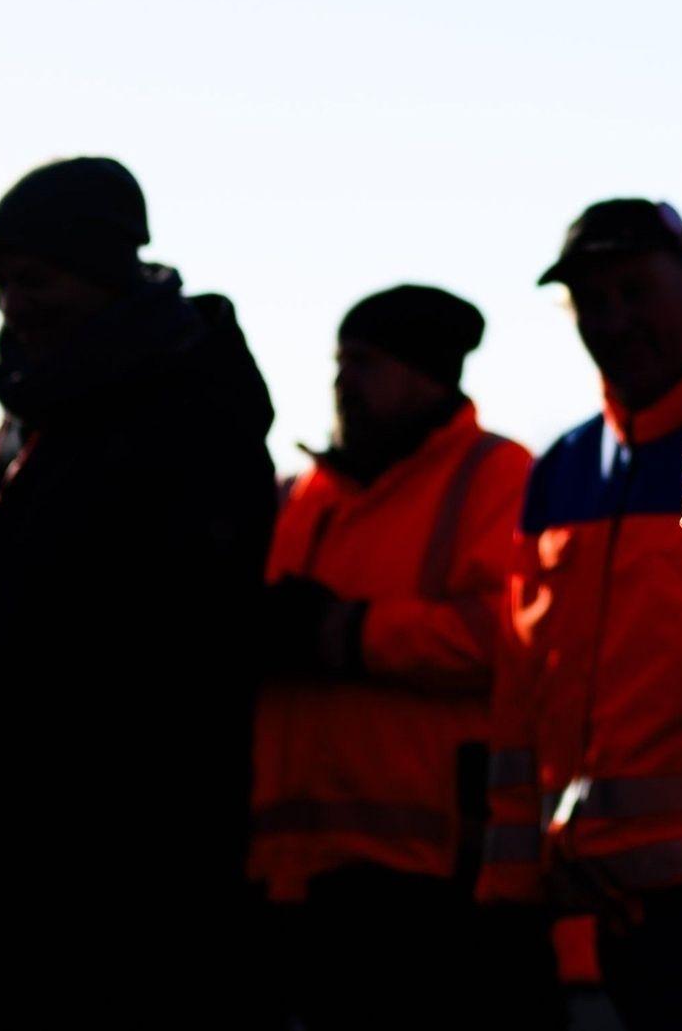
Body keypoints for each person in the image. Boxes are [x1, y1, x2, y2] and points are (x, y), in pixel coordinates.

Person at [0, 157, 275, 1027]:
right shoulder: (33, 424)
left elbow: (169, 669)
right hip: (3, 885)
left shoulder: (189, 414)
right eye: (1, 284)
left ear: (102, 275)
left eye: (32, 281)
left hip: (124, 897)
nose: (12, 305)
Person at [486, 199, 682, 1030]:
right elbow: (523, 689)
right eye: (592, 301)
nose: (613, 320)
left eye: (634, 290)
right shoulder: (564, 469)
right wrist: (520, 881)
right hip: (604, 911)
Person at [255, 284, 551, 1029]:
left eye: (364, 363)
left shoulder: (498, 477)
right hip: (290, 879)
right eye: (338, 362)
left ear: (427, 374)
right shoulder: (302, 498)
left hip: (427, 887)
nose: (341, 383)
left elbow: (503, 637)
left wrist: (344, 634)